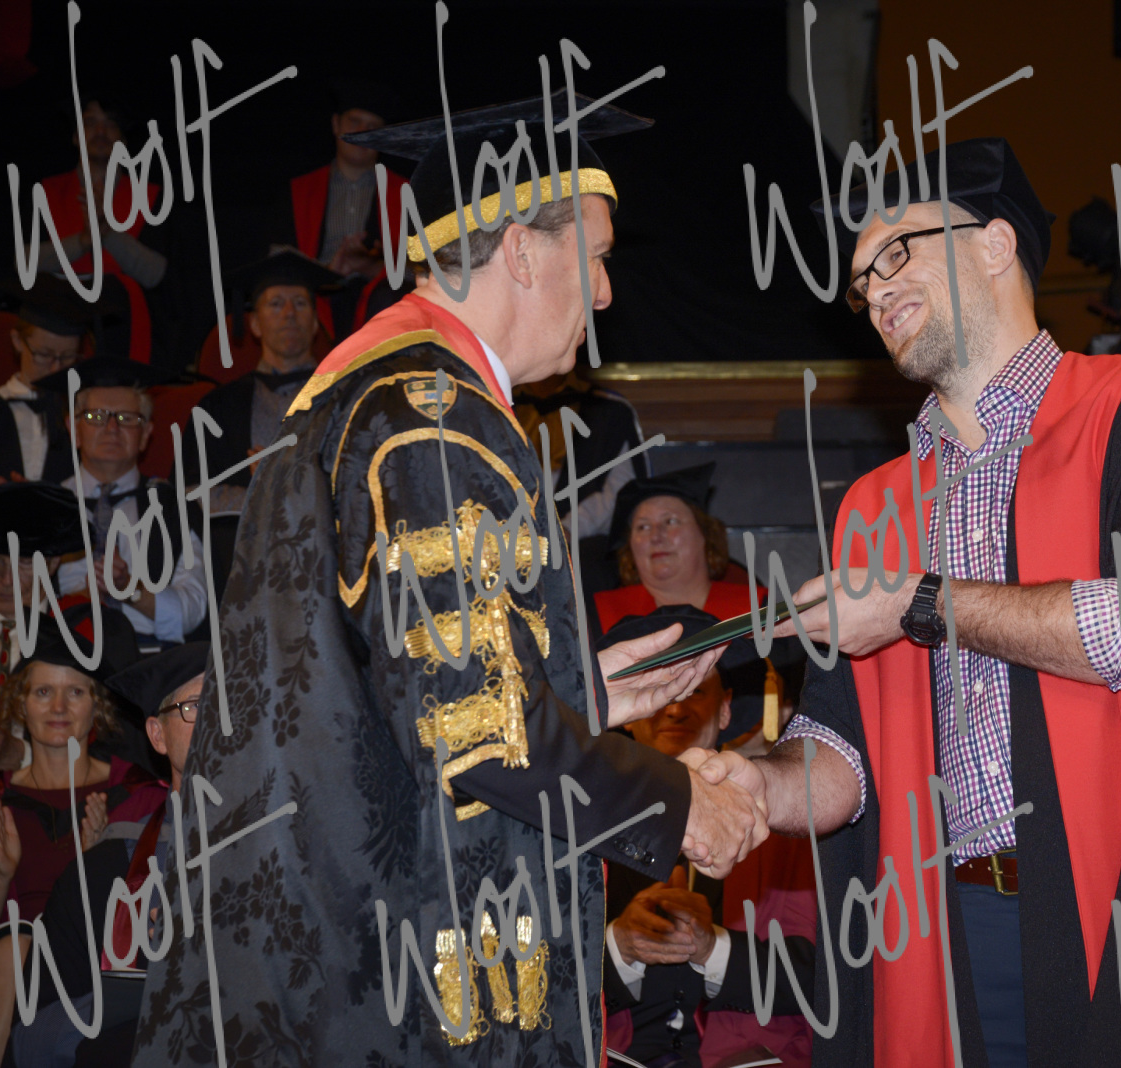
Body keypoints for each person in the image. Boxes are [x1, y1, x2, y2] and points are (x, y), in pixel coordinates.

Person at [131, 92, 767, 1067]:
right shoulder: (431, 419)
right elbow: (477, 731)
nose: (605, 293)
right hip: (386, 966)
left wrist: (579, 691)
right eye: (596, 256)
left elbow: (386, 689)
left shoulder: (375, 396)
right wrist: (679, 803)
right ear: (522, 251)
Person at [694, 138, 1121, 1068]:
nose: (874, 291)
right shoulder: (875, 507)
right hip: (948, 928)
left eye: (896, 253)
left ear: (994, 243)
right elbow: (845, 751)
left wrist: (925, 603)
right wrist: (766, 787)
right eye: (861, 281)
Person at [600, 607, 814, 1068]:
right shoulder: (580, 828)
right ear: (626, 715)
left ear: (725, 708)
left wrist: (713, 948)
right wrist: (621, 945)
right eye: (659, 691)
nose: (676, 707)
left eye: (694, 690)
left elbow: (829, 979)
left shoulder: (782, 828)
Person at [0, 609, 154, 1067]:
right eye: (43, 692)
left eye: (75, 693)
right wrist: (0, 877)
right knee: (16, 948)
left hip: (94, 973)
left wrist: (94, 870)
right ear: (20, 705)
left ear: (97, 707)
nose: (59, 708)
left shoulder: (138, 798)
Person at [9, 642, 208, 1068]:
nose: (218, 721)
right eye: (195, 707)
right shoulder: (105, 875)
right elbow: (30, 1043)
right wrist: (153, 985)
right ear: (157, 734)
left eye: (232, 704)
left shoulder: (297, 852)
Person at [38, 357, 208, 647]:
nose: (112, 428)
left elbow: (192, 612)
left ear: (146, 435)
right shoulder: (44, 507)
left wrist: (129, 589)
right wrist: (79, 598)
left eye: (127, 418)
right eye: (96, 417)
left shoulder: (174, 507)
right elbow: (16, 602)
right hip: (61, 655)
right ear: (73, 429)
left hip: (150, 659)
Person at [180, 249, 342, 512]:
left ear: (315, 323)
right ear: (254, 324)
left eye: (300, 303)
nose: (289, 313)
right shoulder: (219, 408)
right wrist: (263, 498)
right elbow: (189, 493)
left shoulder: (345, 398)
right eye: (276, 303)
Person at [0, 483, 83, 787]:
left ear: (53, 563)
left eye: (24, 562)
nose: (5, 579)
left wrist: (23, 755)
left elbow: (120, 753)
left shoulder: (87, 632)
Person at [37, 96, 168, 363]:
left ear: (123, 141)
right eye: (90, 123)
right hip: (57, 320)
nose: (100, 131)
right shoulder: (47, 192)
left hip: (123, 327)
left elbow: (156, 274)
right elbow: (24, 263)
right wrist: (83, 242)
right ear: (76, 137)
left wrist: (107, 232)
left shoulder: (151, 196)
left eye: (110, 124)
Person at [287, 79, 410, 338]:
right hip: (315, 296)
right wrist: (325, 272)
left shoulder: (408, 194)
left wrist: (373, 267)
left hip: (381, 302)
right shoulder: (298, 191)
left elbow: (427, 272)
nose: (362, 132)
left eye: (373, 127)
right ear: (336, 125)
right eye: (355, 122)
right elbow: (280, 258)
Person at [0, 275, 89, 498]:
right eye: (43, 354)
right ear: (17, 341)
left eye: (67, 357)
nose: (56, 368)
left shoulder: (85, 418)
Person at [593, 465, 764, 632]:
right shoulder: (599, 615)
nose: (655, 536)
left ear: (705, 533)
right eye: (643, 527)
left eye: (670, 521)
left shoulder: (756, 609)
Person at [513, 366, 649, 548]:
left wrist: (569, 528)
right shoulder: (493, 408)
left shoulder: (607, 410)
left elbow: (621, 489)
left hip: (583, 543)